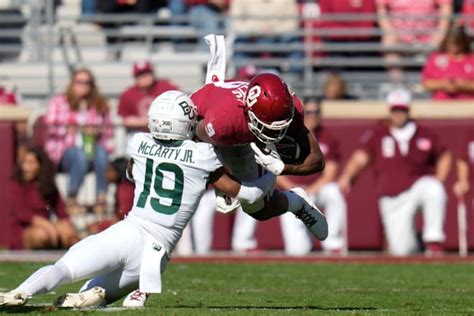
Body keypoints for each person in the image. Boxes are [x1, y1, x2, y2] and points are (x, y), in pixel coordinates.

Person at [0, 90, 278, 308]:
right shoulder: (204, 157)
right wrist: (272, 174)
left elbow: (133, 173)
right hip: (156, 255)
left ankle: (20, 292)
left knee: (64, 269)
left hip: (129, 233)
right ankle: (97, 295)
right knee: (91, 297)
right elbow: (248, 194)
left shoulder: (139, 144)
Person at [191, 73, 328, 239]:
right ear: (248, 111)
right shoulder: (223, 120)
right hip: (215, 134)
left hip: (243, 132)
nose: (274, 133)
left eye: (280, 127)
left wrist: (283, 168)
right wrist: (222, 180)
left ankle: (297, 203)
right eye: (268, 126)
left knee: (258, 210)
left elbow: (318, 161)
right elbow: (197, 140)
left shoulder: (291, 109)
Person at [338, 88, 452, 256]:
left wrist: (439, 180)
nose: (399, 114)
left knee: (433, 189)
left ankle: (433, 240)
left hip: (418, 185)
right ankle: (417, 244)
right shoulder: (378, 133)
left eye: (402, 110)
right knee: (401, 249)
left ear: (408, 110)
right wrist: (347, 177)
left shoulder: (424, 133)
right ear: (390, 111)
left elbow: (444, 154)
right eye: (395, 110)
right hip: (392, 194)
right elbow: (360, 157)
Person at [277, 99, 347, 255]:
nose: (313, 116)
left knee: (333, 191)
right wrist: (295, 189)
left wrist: (311, 190)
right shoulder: (286, 136)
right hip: (292, 190)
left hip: (317, 190)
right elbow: (274, 171)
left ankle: (333, 243)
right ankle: (299, 249)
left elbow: (331, 172)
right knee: (297, 251)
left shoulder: (327, 136)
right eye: (308, 112)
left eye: (316, 112)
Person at [44, 68, 113, 215]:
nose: (83, 86)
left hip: (91, 150)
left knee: (101, 152)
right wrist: (67, 129)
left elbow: (109, 132)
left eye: (87, 82)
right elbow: (48, 127)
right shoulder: (59, 101)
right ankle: (72, 199)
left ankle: (101, 198)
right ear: (72, 83)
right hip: (64, 152)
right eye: (79, 82)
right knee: (78, 155)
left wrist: (97, 130)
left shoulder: (99, 104)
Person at [8, 146, 78, 250]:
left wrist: (66, 228)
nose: (25, 168)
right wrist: (49, 226)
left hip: (48, 227)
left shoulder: (48, 186)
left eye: (31, 163)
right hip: (25, 230)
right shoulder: (17, 185)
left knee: (67, 231)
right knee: (42, 235)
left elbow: (62, 212)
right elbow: (23, 215)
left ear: (41, 165)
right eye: (24, 163)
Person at [376, 0, 452, 81]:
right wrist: (390, 31)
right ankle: (398, 87)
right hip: (399, 38)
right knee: (389, 43)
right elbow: (381, 9)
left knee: (443, 46)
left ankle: (432, 86)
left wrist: (439, 34)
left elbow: (445, 7)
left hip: (429, 36)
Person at [118, 60, 179, 134]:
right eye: (142, 75)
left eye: (148, 73)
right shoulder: (127, 94)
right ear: (136, 78)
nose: (146, 77)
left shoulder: (165, 86)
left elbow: (179, 102)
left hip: (165, 130)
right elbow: (124, 120)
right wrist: (144, 121)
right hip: (140, 133)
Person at [422, 24, 474, 100]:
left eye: (457, 43)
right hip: (441, 104)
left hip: (468, 104)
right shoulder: (436, 58)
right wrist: (443, 84)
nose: (454, 46)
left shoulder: (471, 59)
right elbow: (426, 83)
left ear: (464, 42)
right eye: (451, 42)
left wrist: (465, 85)